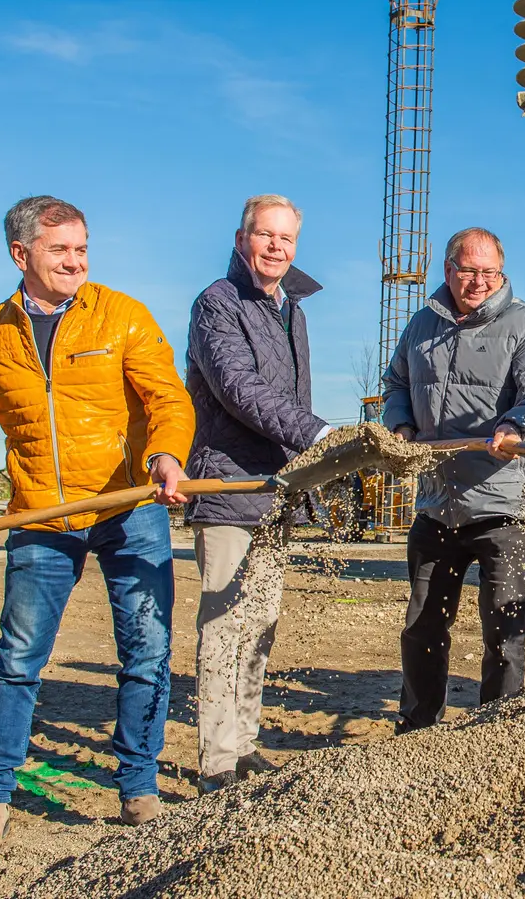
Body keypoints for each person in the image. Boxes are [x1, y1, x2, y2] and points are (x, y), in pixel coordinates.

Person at [0, 196, 195, 856]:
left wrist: (166, 455)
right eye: (60, 250)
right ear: (20, 255)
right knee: (18, 659)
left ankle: (139, 787)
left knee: (147, 655)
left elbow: (167, 398)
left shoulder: (122, 316)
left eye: (82, 247)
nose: (76, 261)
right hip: (39, 517)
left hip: (130, 507)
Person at [382, 227, 525, 732]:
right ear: (448, 270)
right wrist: (399, 425)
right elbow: (396, 383)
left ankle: (495, 735)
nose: (478, 282)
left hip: (504, 506)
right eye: (468, 271)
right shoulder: (422, 325)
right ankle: (416, 730)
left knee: (505, 630)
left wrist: (516, 425)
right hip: (436, 502)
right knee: (423, 626)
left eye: (489, 273)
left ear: (502, 273)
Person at [184, 195, 335, 793]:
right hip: (228, 480)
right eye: (264, 235)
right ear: (242, 237)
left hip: (276, 487)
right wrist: (318, 434)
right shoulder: (217, 304)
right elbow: (236, 388)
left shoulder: (291, 310)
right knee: (224, 618)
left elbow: (293, 397)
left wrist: (310, 456)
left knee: (262, 619)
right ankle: (217, 759)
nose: (276, 247)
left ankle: (244, 743)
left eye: (286, 239)